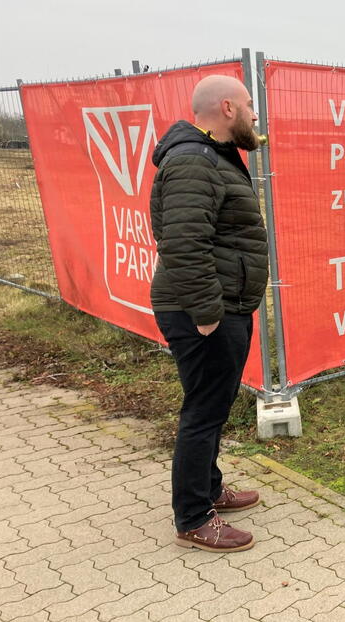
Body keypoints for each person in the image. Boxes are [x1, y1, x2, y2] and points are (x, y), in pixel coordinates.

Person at [150, 75, 269, 551]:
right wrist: (205, 311)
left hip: (221, 303)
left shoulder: (213, 157)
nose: (254, 115)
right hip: (203, 309)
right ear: (226, 108)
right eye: (248, 106)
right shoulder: (194, 162)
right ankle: (193, 516)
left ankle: (211, 488)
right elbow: (182, 242)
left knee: (213, 405)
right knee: (203, 411)